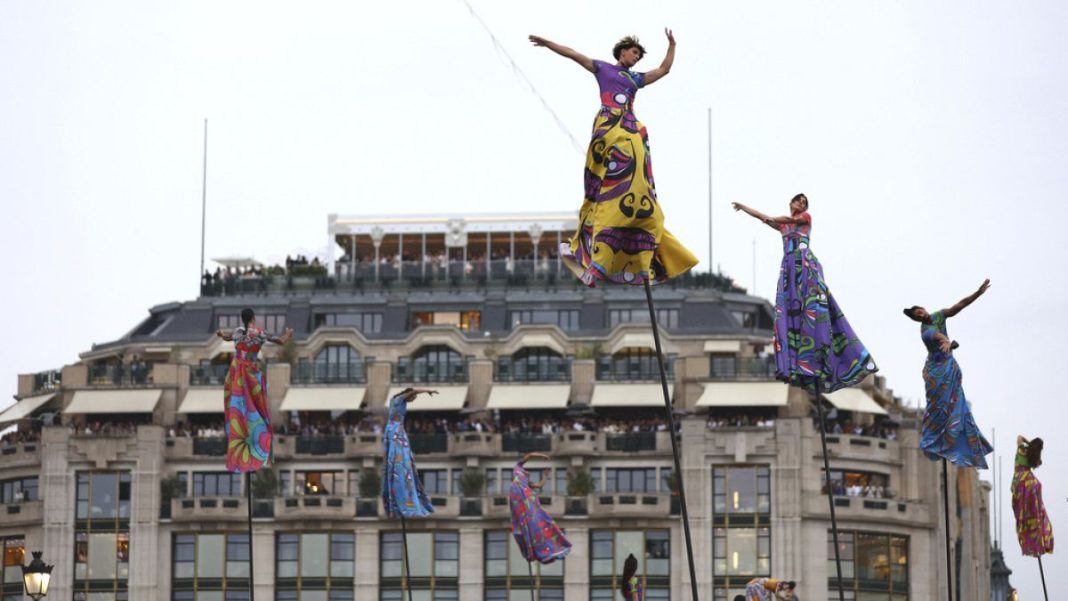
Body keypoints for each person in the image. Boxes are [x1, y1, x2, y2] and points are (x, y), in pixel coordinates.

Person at [529, 31, 697, 287]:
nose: (636, 58)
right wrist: (548, 43)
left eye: (639, 56)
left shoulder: (635, 79)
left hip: (629, 127)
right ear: (622, 51)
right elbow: (572, 53)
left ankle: (640, 186)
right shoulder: (603, 69)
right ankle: (608, 183)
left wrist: (672, 45)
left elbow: (663, 70)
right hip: (610, 124)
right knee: (615, 150)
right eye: (634, 53)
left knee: (639, 145)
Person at [733, 195, 876, 394]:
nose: (801, 204)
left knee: (811, 304)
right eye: (798, 201)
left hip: (804, 264)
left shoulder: (804, 218)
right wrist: (744, 207)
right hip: (790, 268)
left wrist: (772, 219)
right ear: (790, 202)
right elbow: (762, 217)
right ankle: (799, 354)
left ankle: (821, 345)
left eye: (804, 203)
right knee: (789, 309)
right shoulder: (783, 227)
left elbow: (787, 220)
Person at [903, 279, 993, 468]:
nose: (922, 315)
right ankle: (937, 441)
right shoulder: (926, 331)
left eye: (921, 311)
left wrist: (978, 293)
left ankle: (957, 440)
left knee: (956, 403)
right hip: (936, 372)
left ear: (924, 309)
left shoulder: (938, 315)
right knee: (939, 406)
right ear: (917, 320)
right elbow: (938, 336)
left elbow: (959, 306)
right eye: (918, 316)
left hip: (948, 366)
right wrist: (947, 341)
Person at [215, 308, 293, 473]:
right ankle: (259, 444)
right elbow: (281, 341)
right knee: (257, 409)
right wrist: (288, 334)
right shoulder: (260, 333)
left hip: (236, 373)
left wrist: (221, 335)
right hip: (250, 374)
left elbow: (228, 337)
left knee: (237, 409)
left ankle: (240, 443)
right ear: (254, 318)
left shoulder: (237, 332)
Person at [382, 388, 438, 518]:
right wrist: (427, 390)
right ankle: (404, 500)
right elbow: (413, 392)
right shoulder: (399, 399)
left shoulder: (395, 400)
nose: (413, 400)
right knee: (399, 463)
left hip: (394, 431)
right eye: (413, 398)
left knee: (399, 462)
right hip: (396, 432)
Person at [509, 452, 571, 563]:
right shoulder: (517, 468)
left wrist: (546, 476)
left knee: (535, 520)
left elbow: (539, 485)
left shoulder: (526, 482)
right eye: (527, 471)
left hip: (525, 500)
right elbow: (529, 455)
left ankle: (542, 550)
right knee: (525, 519)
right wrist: (542, 456)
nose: (529, 473)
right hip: (517, 497)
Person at [1011, 435, 1053, 556]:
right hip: (1031, 484)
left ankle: (1029, 543)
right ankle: (1039, 542)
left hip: (1020, 484)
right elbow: (1037, 461)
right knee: (1037, 515)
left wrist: (1029, 444)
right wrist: (1034, 448)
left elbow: (1019, 437)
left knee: (1022, 517)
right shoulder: (1034, 458)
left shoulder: (1022, 449)